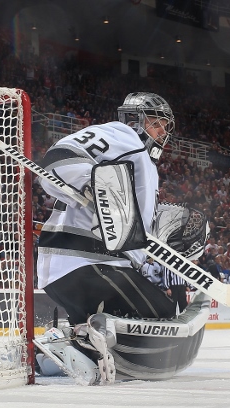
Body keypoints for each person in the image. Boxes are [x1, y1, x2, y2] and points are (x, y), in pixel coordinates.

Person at [35, 92, 208, 383]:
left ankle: (65, 346)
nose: (162, 133)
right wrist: (94, 184)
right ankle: (89, 334)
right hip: (89, 263)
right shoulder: (123, 136)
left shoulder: (142, 164)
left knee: (145, 320)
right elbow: (56, 161)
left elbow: (134, 227)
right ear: (135, 120)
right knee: (165, 318)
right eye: (157, 124)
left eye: (164, 127)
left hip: (77, 268)